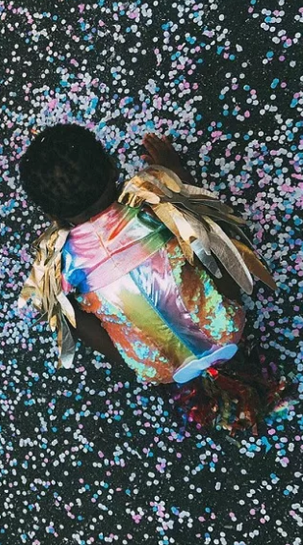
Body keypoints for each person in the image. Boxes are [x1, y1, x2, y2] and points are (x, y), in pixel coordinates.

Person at [19, 123, 286, 432]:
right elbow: (204, 231)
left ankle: (174, 358)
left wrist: (60, 301)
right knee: (201, 235)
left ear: (52, 216)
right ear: (111, 166)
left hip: (157, 366)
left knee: (71, 312)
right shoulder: (156, 200)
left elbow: (81, 326)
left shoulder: (62, 264)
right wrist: (174, 173)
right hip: (226, 327)